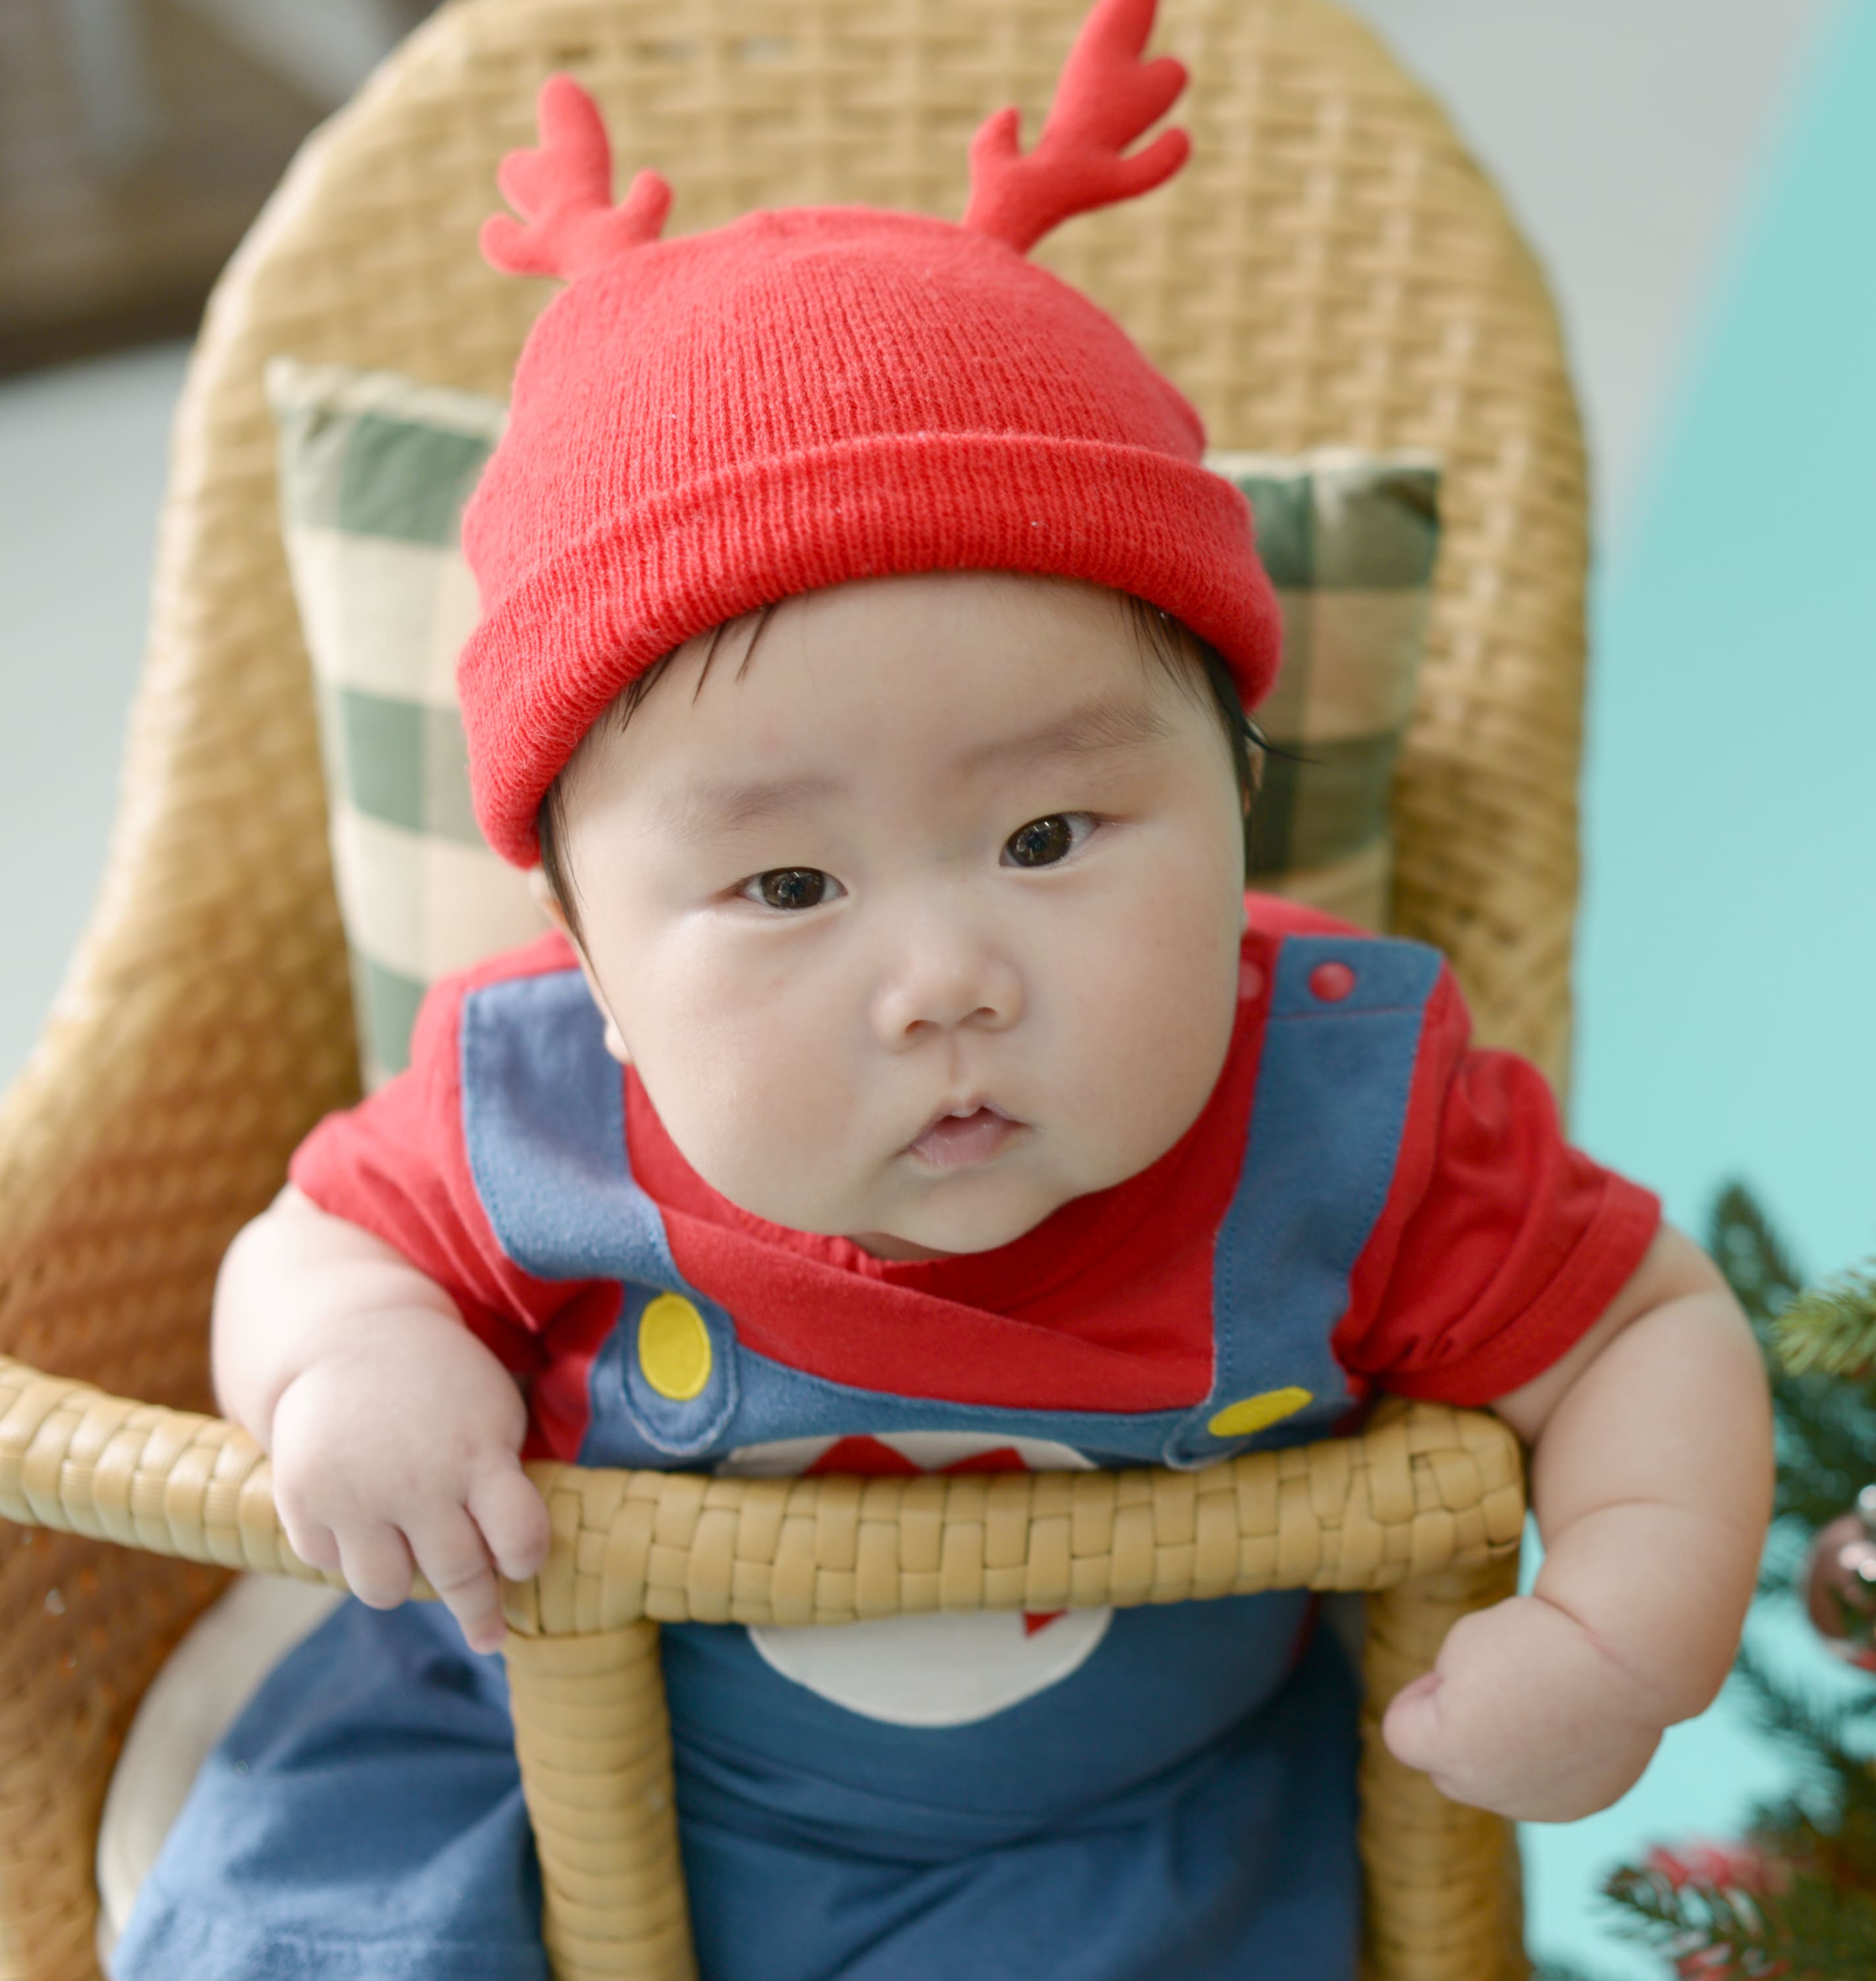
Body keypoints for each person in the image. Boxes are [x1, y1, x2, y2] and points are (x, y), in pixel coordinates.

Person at [109, 3, 1772, 1977]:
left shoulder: (1341, 1103)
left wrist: (1621, 1634)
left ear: (1238, 802)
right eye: (789, 884)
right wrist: (353, 1364)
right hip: (549, 1769)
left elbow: (1649, 1328)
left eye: (1052, 838)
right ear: (597, 968)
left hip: (1123, 1835)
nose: (946, 981)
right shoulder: (534, 1102)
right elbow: (308, 1244)